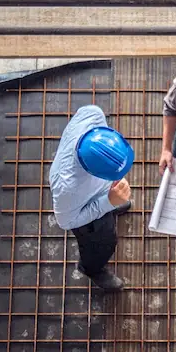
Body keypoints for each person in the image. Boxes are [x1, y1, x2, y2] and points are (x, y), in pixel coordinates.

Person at [49, 105, 135, 291]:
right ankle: (92, 269)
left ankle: (112, 205)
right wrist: (107, 202)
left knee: (111, 208)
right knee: (103, 244)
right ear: (93, 172)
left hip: (98, 192)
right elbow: (67, 221)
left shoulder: (92, 115)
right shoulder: (68, 189)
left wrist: (111, 196)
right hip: (82, 209)